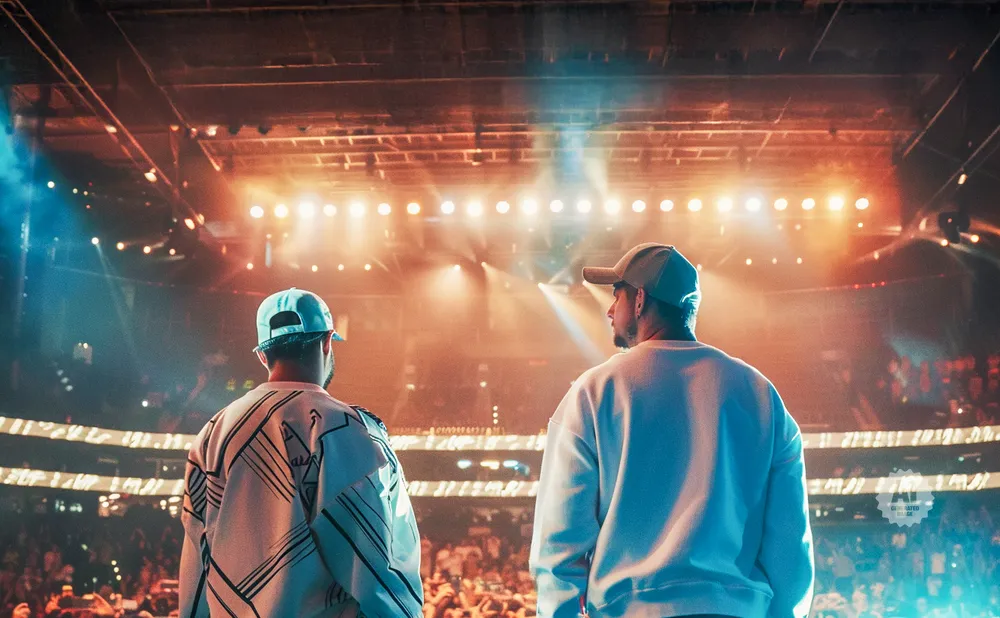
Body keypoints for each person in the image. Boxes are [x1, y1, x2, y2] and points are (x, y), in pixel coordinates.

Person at [530, 243, 815, 618]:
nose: (610, 310)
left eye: (617, 296)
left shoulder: (594, 392)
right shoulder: (759, 393)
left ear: (639, 300)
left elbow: (559, 546)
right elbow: (789, 546)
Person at [179, 288, 423, 617]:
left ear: (263, 356)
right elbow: (382, 570)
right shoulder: (350, 430)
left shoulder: (212, 434)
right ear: (326, 344)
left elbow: (196, 568)